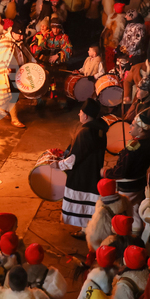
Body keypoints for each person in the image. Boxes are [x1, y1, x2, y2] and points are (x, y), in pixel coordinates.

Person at [59, 99, 108, 237]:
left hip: (83, 173)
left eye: (80, 113)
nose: (78, 115)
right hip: (93, 170)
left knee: (83, 203)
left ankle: (85, 231)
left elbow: (75, 157)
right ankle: (87, 229)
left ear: (86, 116)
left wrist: (59, 164)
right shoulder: (100, 129)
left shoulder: (85, 132)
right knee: (89, 202)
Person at [0, 19, 29, 127]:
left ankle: (5, 112)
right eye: (19, 35)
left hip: (18, 71)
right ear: (13, 32)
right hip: (7, 73)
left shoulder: (19, 42)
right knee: (11, 94)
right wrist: (4, 69)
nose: (21, 37)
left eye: (22, 35)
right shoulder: (4, 42)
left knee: (12, 93)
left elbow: (24, 55)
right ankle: (14, 119)